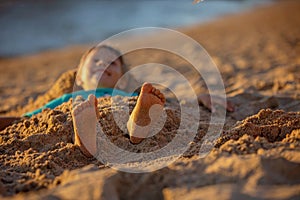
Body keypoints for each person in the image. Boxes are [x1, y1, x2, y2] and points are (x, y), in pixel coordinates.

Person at [0, 45, 234, 157]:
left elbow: (175, 105)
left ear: (122, 78)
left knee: (139, 112)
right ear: (79, 76)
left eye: (113, 63)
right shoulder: (68, 98)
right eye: (97, 61)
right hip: (84, 114)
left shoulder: (129, 96)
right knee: (74, 116)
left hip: (125, 113)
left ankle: (137, 126)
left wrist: (201, 96)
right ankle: (87, 140)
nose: (104, 64)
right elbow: (28, 120)